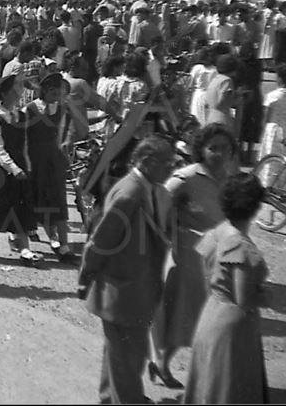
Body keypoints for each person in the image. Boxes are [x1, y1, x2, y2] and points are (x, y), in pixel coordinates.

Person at [77, 135, 175, 405]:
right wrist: (85, 277)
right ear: (145, 162)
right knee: (129, 358)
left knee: (120, 355)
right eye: (166, 163)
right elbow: (102, 240)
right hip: (121, 291)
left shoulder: (151, 189)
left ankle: (110, 399)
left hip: (136, 289)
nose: (171, 169)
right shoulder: (129, 192)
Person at [149, 124, 237, 389]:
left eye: (225, 149)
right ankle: (162, 364)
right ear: (201, 150)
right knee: (184, 314)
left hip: (219, 256)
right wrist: (169, 234)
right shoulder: (186, 178)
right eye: (213, 148)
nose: (219, 154)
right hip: (187, 257)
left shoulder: (230, 179)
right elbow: (157, 207)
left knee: (204, 318)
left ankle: (163, 363)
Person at [184, 173, 270, 404]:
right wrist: (265, 296)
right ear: (255, 207)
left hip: (212, 313)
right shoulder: (240, 245)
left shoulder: (215, 234)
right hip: (233, 326)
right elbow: (244, 299)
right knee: (229, 389)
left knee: (209, 385)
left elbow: (208, 277)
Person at [0, 74, 43, 265]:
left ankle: (24, 248)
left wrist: (26, 165)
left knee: (20, 206)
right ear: (5, 93)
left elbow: (26, 143)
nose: (19, 93)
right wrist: (13, 168)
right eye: (15, 90)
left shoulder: (20, 115)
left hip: (18, 166)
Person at [27, 72, 75, 259]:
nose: (57, 94)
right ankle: (23, 234)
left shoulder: (63, 110)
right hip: (35, 160)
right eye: (54, 91)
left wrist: (67, 142)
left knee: (59, 202)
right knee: (36, 200)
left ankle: (64, 245)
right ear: (45, 91)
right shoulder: (31, 109)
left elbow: (69, 131)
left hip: (54, 161)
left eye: (59, 91)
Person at [258, 63, 286, 160]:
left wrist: (262, 131)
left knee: (271, 158)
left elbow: (266, 117)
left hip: (274, 131)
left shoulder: (272, 96)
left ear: (280, 78)